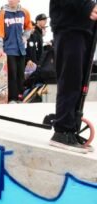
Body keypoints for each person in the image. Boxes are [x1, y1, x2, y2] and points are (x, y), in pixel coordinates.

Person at [48, 0, 97, 153]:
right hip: (69, 28)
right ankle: (62, 132)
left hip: (85, 30)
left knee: (80, 82)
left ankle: (71, 129)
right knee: (70, 80)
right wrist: (88, 6)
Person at [0, 0, 33, 103]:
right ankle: (12, 97)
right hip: (8, 49)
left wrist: (25, 37)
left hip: (21, 49)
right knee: (12, 74)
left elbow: (29, 27)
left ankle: (20, 96)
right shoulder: (3, 13)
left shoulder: (25, 12)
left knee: (20, 74)